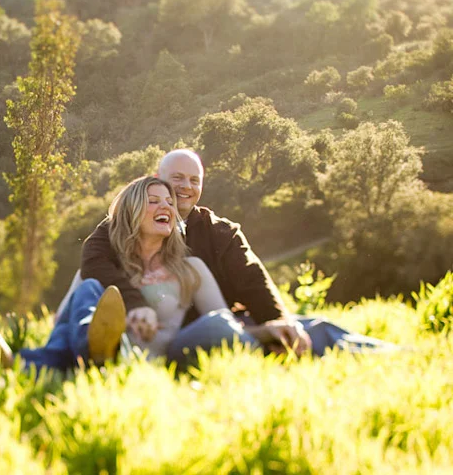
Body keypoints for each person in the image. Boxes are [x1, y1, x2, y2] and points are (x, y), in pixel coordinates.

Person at [77, 149, 396, 360]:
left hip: (228, 326)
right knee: (225, 331)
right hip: (168, 333)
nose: (186, 187)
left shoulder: (220, 231)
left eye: (194, 180)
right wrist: (134, 303)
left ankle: (393, 355)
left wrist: (278, 323)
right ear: (158, 181)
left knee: (313, 328)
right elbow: (93, 260)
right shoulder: (128, 223)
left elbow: (252, 278)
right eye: (177, 179)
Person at [0, 176, 302, 371]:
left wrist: (264, 332)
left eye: (169, 202)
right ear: (131, 212)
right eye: (153, 200)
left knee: (214, 325)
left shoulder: (191, 268)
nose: (167, 207)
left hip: (161, 355)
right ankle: (94, 350)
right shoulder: (105, 269)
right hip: (118, 354)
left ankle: (22, 364)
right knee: (88, 289)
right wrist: (123, 312)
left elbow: (221, 326)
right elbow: (61, 320)